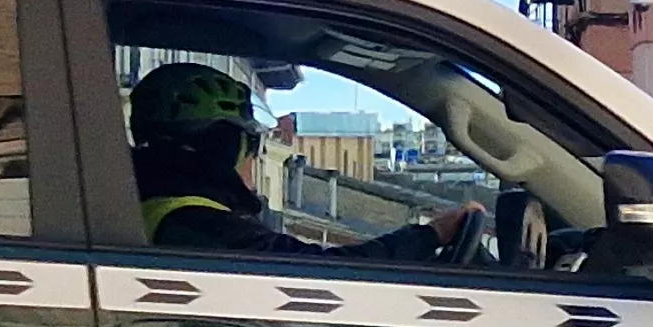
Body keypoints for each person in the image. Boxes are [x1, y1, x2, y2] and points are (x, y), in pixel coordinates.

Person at [126, 63, 476, 260]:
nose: (254, 161)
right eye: (252, 145)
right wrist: (431, 234)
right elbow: (325, 275)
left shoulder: (152, 201)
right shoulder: (200, 225)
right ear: (223, 147)